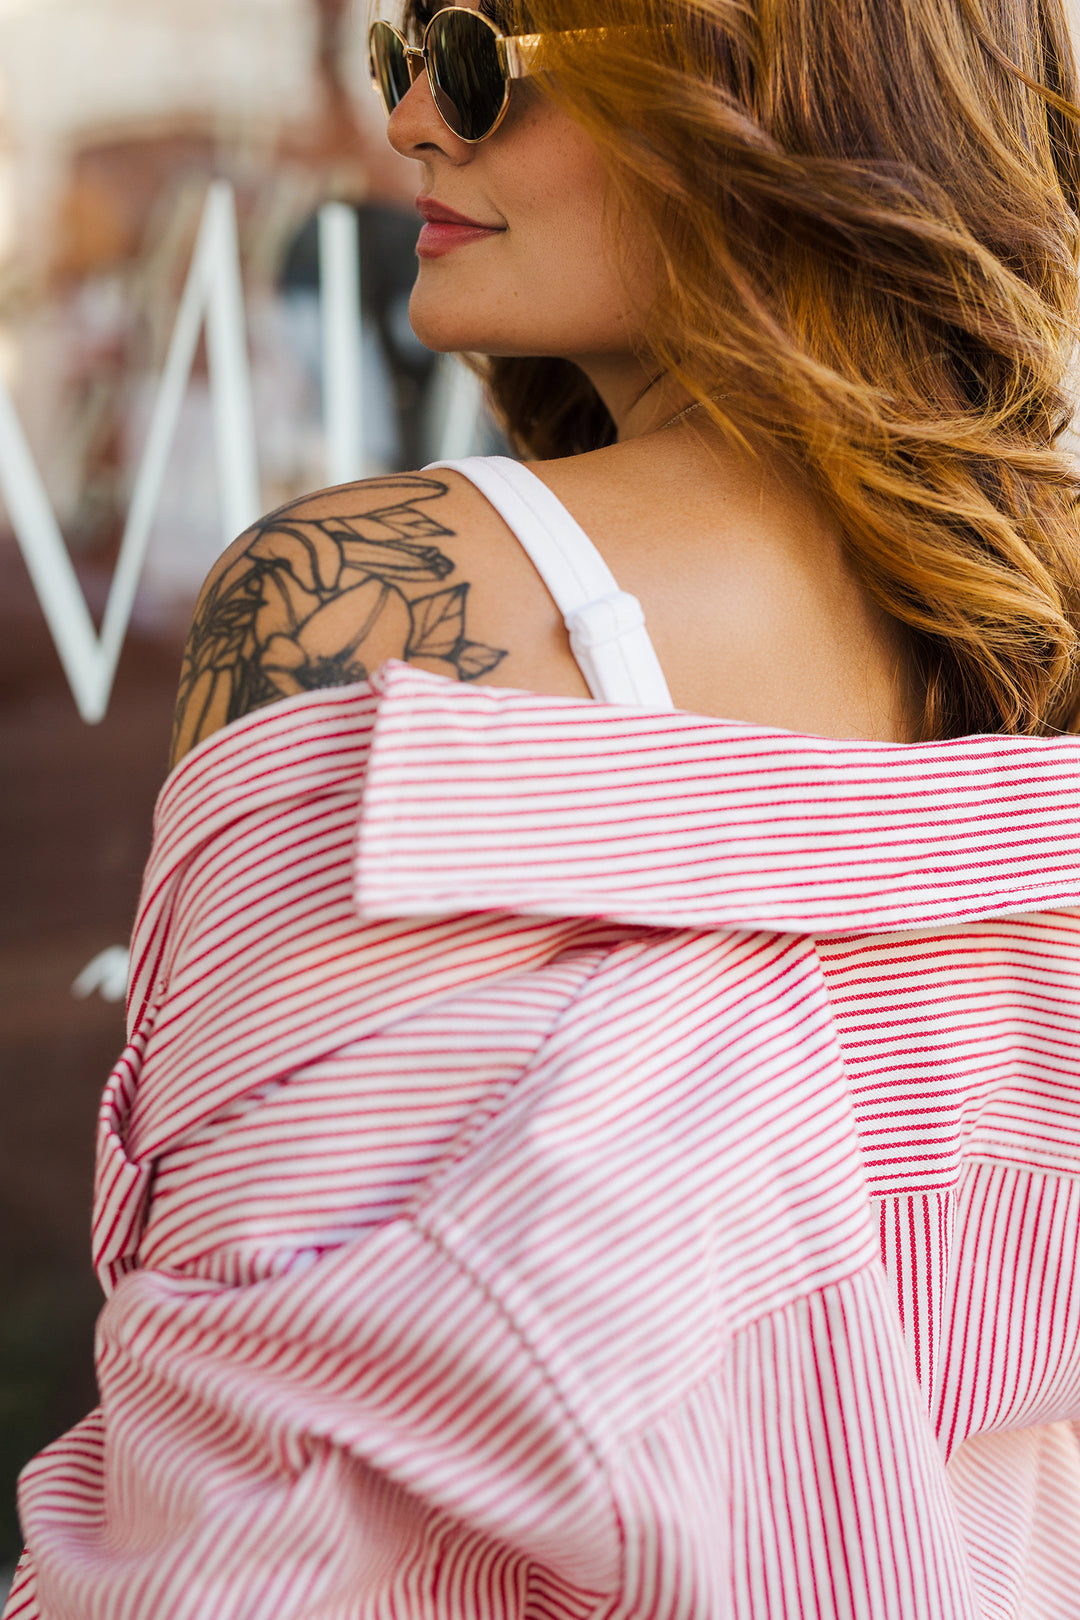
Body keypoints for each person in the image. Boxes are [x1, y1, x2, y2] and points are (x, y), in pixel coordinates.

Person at [7, 0, 1080, 1615]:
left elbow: (238, 1516)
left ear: (763, 80)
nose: (414, 121)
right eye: (396, 53)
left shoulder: (353, 601)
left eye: (477, 50)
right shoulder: (1036, 621)